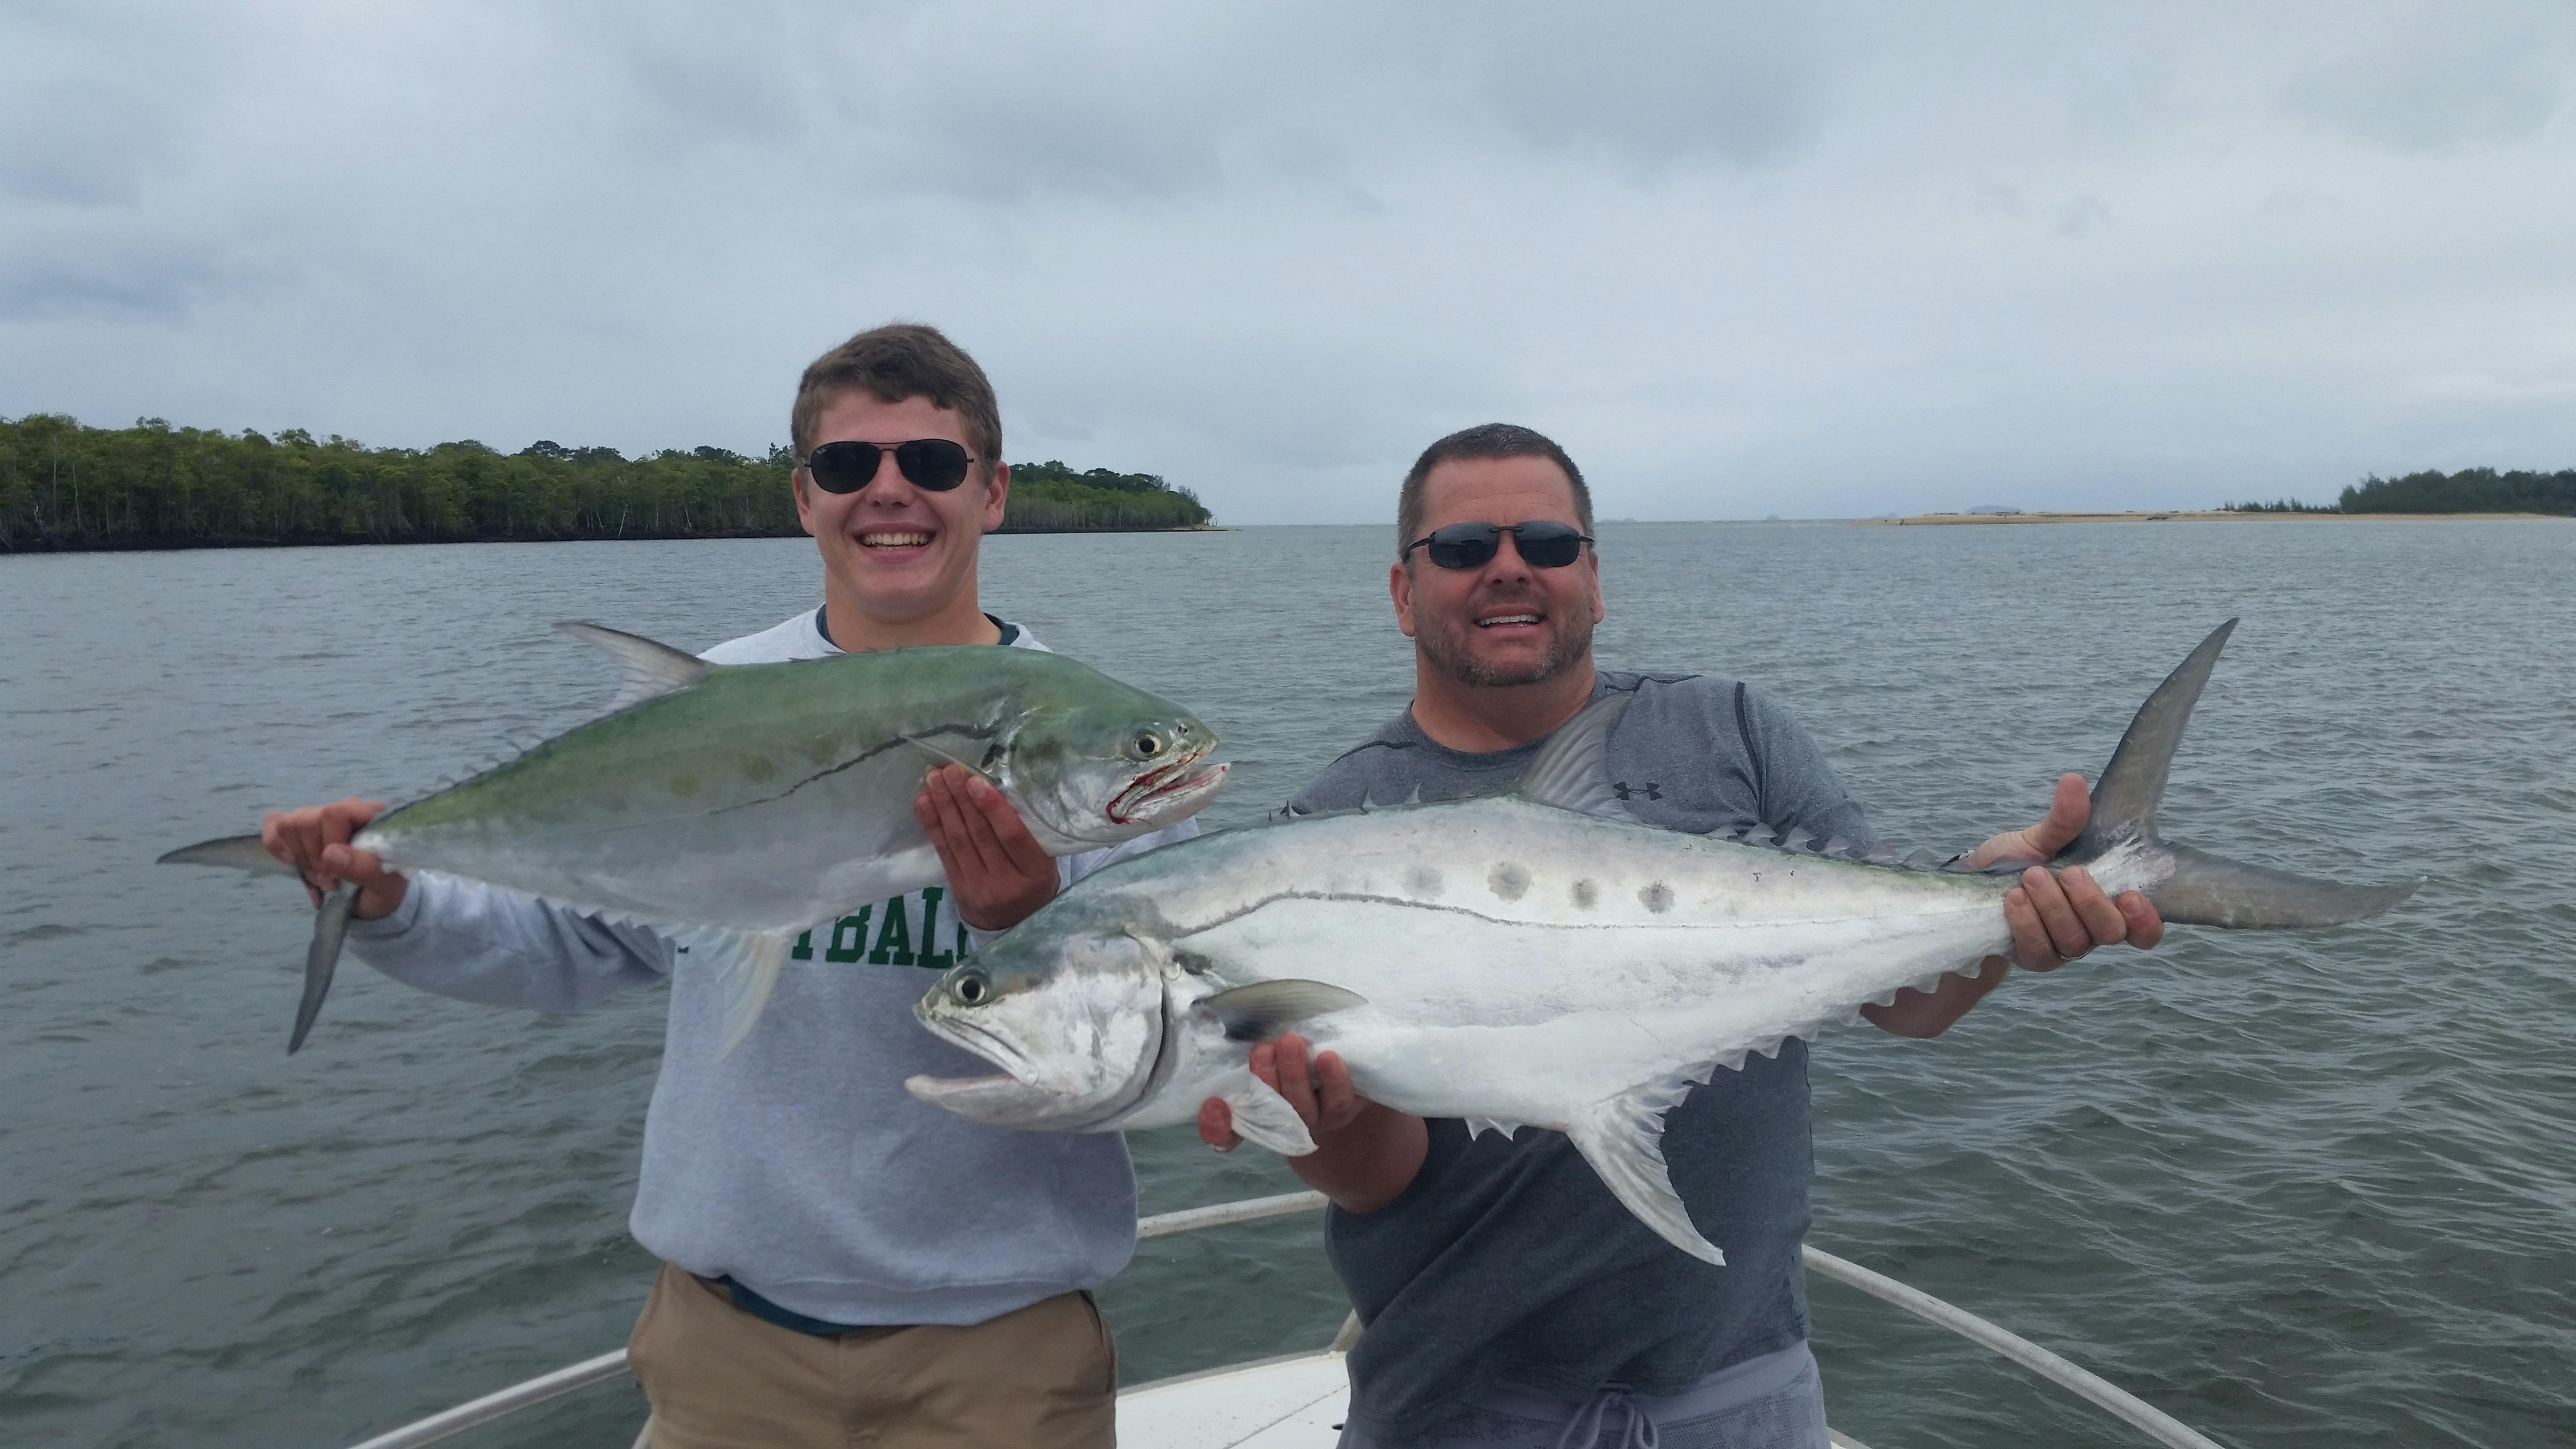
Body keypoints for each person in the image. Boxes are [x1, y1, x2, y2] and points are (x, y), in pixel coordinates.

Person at [260, 323, 1184, 1449]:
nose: (889, 492)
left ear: (991, 493)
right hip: (726, 1353)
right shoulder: (709, 700)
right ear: (805, 499)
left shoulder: (1087, 742)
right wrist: (389, 894)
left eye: (931, 464)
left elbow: (1144, 1057)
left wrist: (1028, 929)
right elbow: (562, 947)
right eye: (849, 466)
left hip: (1001, 1355)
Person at [1197, 423, 2164, 1449]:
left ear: (1595, 579)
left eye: (1548, 544)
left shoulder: (1734, 731)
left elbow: (1903, 998)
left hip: (1741, 1389)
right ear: (1402, 592)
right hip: (1451, 1401)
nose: (1510, 569)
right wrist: (1320, 1114)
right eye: (1465, 547)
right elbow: (1378, 1176)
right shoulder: (1319, 834)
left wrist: (2004, 904)